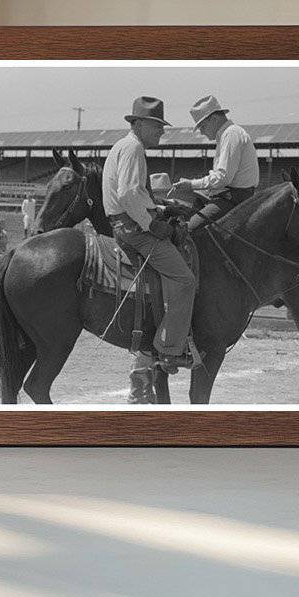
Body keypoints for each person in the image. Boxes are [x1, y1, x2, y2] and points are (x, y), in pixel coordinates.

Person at [102, 96, 197, 404]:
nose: (161, 133)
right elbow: (129, 194)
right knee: (185, 280)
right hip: (134, 231)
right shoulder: (133, 149)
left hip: (123, 223)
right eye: (157, 126)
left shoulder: (123, 146)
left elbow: (133, 194)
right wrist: (152, 223)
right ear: (140, 124)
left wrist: (159, 207)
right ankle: (169, 349)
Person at [175, 94, 260, 233]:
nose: (201, 132)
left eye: (202, 126)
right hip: (230, 195)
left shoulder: (230, 134)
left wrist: (191, 184)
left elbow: (222, 177)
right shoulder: (228, 134)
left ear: (214, 119)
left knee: (186, 230)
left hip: (232, 199)